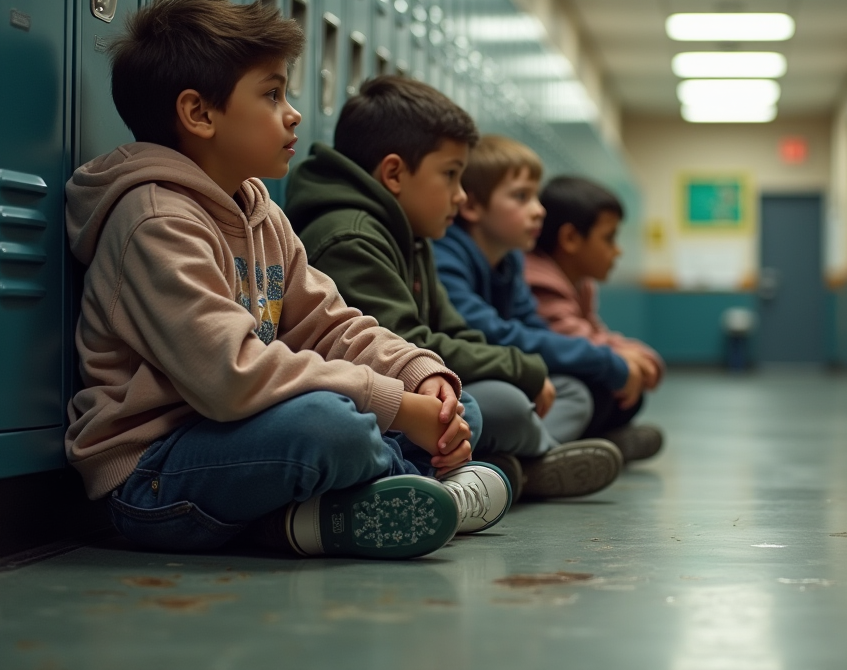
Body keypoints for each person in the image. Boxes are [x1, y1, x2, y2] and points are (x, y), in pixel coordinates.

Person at [64, 0, 509, 562]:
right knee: (331, 427)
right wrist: (394, 406)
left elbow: (331, 326)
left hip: (244, 439)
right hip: (157, 474)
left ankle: (324, 517)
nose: (293, 114)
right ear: (199, 113)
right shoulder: (155, 222)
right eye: (272, 94)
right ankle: (418, 492)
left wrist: (418, 376)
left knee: (457, 406)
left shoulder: (259, 212)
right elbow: (231, 375)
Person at [284, 76, 622, 501]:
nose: (460, 196)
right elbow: (407, 343)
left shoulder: (413, 234)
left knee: (534, 396)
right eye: (450, 175)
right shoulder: (351, 237)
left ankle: (510, 467)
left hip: (422, 384)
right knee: (491, 406)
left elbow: (455, 329)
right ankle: (517, 469)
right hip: (374, 396)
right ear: (394, 173)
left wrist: (522, 367)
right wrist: (520, 368)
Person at [432, 136, 652, 460]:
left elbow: (532, 327)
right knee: (514, 404)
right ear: (472, 206)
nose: (539, 210)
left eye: (536, 196)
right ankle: (544, 459)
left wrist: (606, 363)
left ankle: (544, 455)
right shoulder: (445, 256)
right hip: (464, 375)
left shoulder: (511, 261)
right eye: (521, 197)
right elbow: (491, 333)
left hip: (505, 368)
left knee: (591, 393)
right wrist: (606, 361)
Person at [525, 176, 664, 461]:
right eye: (609, 238)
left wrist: (635, 354)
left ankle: (600, 446)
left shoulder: (581, 284)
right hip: (543, 382)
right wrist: (626, 358)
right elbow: (572, 337)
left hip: (565, 370)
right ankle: (569, 453)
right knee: (600, 392)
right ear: (570, 239)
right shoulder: (539, 279)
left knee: (626, 395)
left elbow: (594, 332)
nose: (618, 250)